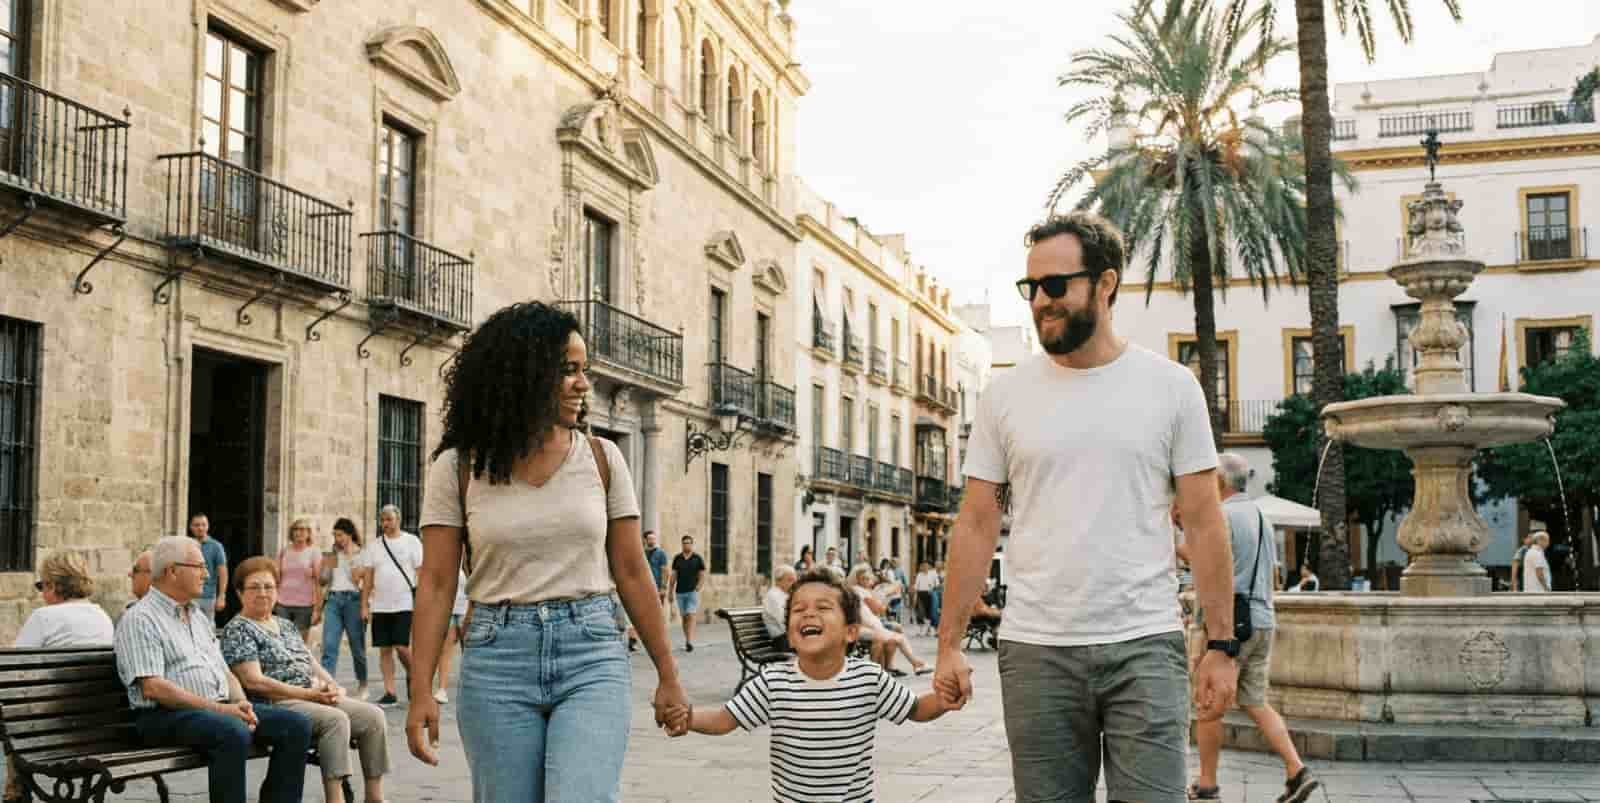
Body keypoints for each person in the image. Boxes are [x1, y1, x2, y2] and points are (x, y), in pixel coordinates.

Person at [934, 212, 1239, 803]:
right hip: (1036, 651)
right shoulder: (1004, 396)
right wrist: (949, 643)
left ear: (1105, 284)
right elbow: (976, 523)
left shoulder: (1172, 387)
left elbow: (1203, 522)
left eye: (1056, 286)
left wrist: (1222, 648)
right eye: (1031, 288)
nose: (1040, 302)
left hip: (1145, 645)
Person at [403, 301, 686, 802]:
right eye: (567, 371)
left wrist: (668, 674)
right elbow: (438, 582)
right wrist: (421, 687)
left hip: (592, 651)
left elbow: (632, 571)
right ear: (522, 375)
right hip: (496, 658)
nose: (583, 384)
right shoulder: (459, 466)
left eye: (585, 370)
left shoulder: (604, 458)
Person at [666, 568, 952, 801]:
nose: (808, 613)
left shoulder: (869, 677)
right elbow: (725, 718)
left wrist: (944, 697)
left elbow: (915, 708)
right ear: (790, 636)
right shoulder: (773, 681)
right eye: (799, 609)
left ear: (851, 632)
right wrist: (688, 718)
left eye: (824, 607)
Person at [115, 536, 311, 803]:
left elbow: (224, 671)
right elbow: (153, 687)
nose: (207, 574)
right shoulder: (140, 618)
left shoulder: (197, 616)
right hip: (163, 716)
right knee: (231, 731)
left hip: (213, 710)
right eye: (199, 567)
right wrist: (222, 710)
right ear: (172, 571)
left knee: (295, 725)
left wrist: (243, 705)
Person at [1185, 454, 1319, 803]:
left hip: (1231, 626)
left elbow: (1202, 557)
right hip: (1262, 619)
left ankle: (1207, 783)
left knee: (1208, 703)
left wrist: (1171, 542)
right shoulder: (1261, 516)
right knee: (1255, 701)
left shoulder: (1222, 516)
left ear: (1218, 481)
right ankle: (1296, 770)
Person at [222, 556, 390, 803]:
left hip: (311, 695)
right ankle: (335, 798)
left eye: (269, 586)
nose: (263, 593)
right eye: (254, 587)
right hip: (275, 702)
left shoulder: (285, 625)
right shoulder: (239, 629)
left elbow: (311, 662)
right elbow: (254, 682)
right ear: (239, 593)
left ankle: (374, 797)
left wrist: (330, 685)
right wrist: (309, 694)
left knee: (374, 717)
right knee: (335, 720)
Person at [363, 504, 421, 706]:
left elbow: (420, 572)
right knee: (384, 649)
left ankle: (416, 676)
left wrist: (421, 601)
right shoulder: (374, 546)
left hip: (404, 603)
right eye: (383, 520)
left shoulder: (411, 541)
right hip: (380, 604)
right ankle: (390, 692)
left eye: (389, 519)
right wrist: (365, 605)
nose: (385, 523)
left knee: (401, 646)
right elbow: (368, 578)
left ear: (398, 520)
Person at [17, 550, 114, 647]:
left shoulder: (43, 617)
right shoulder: (103, 617)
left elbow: (17, 659)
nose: (42, 594)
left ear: (52, 586)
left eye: (41, 586)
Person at [848, 564, 931, 677]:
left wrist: (885, 597)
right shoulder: (859, 591)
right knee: (898, 637)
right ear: (858, 579)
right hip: (869, 627)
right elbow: (879, 609)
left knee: (896, 634)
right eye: (864, 579)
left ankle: (900, 666)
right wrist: (888, 597)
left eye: (868, 578)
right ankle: (916, 664)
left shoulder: (864, 590)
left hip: (873, 625)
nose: (867, 581)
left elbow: (878, 609)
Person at [321, 518, 371, 701]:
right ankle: (327, 684)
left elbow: (359, 580)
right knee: (329, 645)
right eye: (334, 535)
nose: (337, 538)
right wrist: (329, 560)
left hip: (353, 601)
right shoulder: (332, 554)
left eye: (340, 535)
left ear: (349, 534)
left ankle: (363, 683)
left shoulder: (362, 554)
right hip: (333, 600)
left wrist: (349, 557)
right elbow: (323, 580)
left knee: (357, 647)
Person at [277, 517, 321, 644]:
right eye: (296, 529)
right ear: (292, 533)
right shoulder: (284, 551)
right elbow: (277, 577)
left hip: (304, 605)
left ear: (308, 533)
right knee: (283, 641)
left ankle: (299, 664)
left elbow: (319, 582)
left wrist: (318, 609)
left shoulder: (314, 552)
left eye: (302, 529)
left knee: (300, 643)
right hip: (282, 603)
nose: (299, 532)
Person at [434, 566, 469, 702]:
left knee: (468, 650)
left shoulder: (469, 556)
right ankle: (442, 689)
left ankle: (470, 686)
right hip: (448, 609)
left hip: (467, 609)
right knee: (445, 650)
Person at [668, 535, 707, 652]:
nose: (687, 545)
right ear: (682, 544)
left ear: (692, 544)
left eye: (689, 543)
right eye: (685, 543)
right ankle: (687, 639)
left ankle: (689, 641)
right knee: (684, 618)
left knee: (690, 615)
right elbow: (674, 575)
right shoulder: (677, 558)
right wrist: (670, 591)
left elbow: (702, 574)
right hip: (680, 592)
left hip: (692, 592)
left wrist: (698, 587)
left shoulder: (697, 558)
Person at [189, 512, 228, 621]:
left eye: (203, 524)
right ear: (191, 527)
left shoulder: (216, 546)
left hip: (208, 596)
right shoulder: (187, 545)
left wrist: (221, 596)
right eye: (197, 525)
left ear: (208, 526)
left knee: (208, 627)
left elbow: (223, 572)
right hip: (189, 596)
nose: (200, 528)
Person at [763, 566, 797, 650]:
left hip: (789, 638)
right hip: (781, 640)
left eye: (794, 580)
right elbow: (783, 622)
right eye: (790, 580)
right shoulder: (773, 596)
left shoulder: (785, 594)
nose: (794, 583)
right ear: (778, 581)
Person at [645, 530, 670, 607]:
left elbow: (665, 571)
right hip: (645, 587)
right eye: (650, 539)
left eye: (653, 539)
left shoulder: (661, 553)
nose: (652, 541)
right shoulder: (643, 553)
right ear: (645, 540)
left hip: (657, 587)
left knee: (658, 609)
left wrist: (663, 587)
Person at [913, 561, 939, 636]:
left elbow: (937, 584)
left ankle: (929, 629)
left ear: (929, 567)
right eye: (923, 566)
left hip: (930, 594)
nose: (924, 567)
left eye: (926, 566)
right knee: (920, 612)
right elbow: (916, 586)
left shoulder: (933, 574)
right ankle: (921, 630)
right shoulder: (919, 575)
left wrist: (932, 588)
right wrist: (915, 596)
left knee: (930, 613)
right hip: (921, 594)